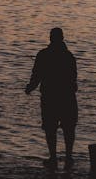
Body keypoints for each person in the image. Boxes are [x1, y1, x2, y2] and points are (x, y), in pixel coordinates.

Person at [25, 27, 78, 169]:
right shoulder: (69, 56)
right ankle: (68, 157)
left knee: (50, 128)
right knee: (69, 128)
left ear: (50, 38)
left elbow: (36, 75)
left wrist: (30, 87)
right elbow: (73, 79)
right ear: (62, 38)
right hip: (67, 97)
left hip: (49, 97)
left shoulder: (43, 55)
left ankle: (53, 157)